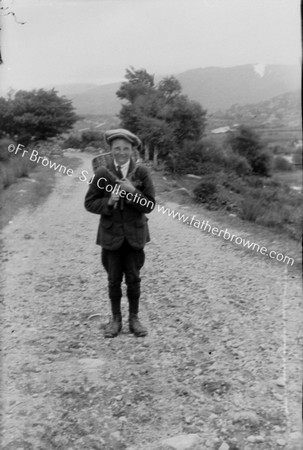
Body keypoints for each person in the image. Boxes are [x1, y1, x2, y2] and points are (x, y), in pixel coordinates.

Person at [84, 129, 155, 338]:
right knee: (113, 279)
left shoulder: (141, 173)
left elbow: (149, 205)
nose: (121, 153)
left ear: (132, 150)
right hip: (111, 236)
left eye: (126, 148)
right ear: (111, 150)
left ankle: (134, 319)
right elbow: (89, 203)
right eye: (117, 149)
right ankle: (115, 320)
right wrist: (109, 201)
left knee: (133, 278)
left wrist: (133, 192)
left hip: (135, 235)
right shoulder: (102, 174)